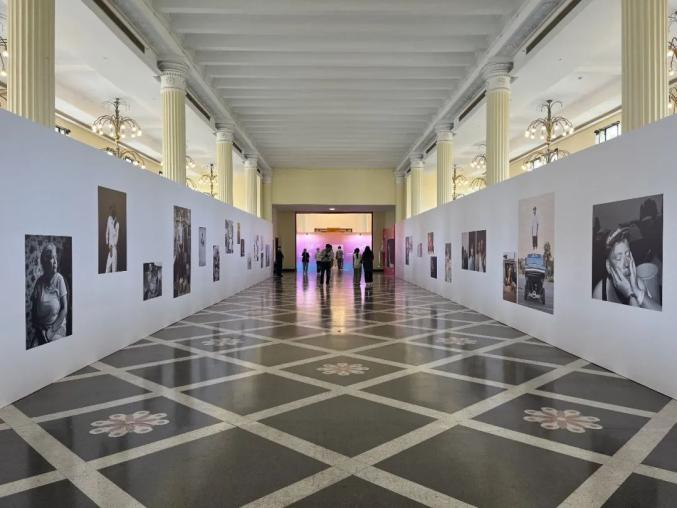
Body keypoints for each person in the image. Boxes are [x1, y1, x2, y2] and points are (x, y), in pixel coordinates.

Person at [592, 227, 661, 310]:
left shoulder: (639, 285)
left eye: (628, 255)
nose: (626, 264)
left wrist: (632, 292)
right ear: (608, 266)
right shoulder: (599, 293)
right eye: (618, 258)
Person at [30, 243, 68, 348]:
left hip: (57, 327)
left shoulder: (59, 279)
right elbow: (34, 314)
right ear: (45, 261)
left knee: (53, 347)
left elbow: (64, 309)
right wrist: (40, 330)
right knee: (33, 348)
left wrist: (51, 331)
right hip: (41, 329)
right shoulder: (39, 283)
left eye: (56, 257)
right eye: (52, 258)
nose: (55, 261)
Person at [105, 205, 119, 272]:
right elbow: (107, 231)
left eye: (112, 210)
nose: (110, 212)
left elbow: (116, 239)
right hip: (110, 248)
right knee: (107, 269)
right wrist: (107, 242)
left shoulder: (117, 224)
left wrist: (111, 246)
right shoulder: (109, 218)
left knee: (114, 269)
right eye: (110, 210)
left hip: (113, 248)